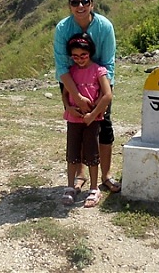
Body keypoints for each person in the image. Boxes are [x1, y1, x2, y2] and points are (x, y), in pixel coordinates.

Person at [54, 0, 121, 193]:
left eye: (85, 1)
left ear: (92, 4)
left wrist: (101, 96)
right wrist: (77, 97)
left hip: (99, 81)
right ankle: (80, 175)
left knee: (104, 128)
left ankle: (106, 176)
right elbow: (62, 66)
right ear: (69, 6)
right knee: (78, 127)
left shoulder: (105, 27)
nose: (80, 6)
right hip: (72, 82)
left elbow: (109, 62)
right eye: (75, 2)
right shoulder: (63, 29)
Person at [60, 33, 112, 207]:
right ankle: (69, 187)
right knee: (72, 152)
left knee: (92, 153)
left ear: (90, 52)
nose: (80, 59)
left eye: (83, 55)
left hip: (92, 120)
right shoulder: (71, 72)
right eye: (75, 56)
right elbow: (65, 93)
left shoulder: (99, 70)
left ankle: (94, 187)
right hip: (74, 119)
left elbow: (107, 95)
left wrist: (94, 114)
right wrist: (68, 108)